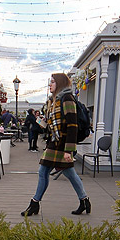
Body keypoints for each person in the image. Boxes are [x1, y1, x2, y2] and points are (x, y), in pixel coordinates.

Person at [21, 73, 90, 216]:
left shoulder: (67, 98)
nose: (50, 84)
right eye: (50, 82)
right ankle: (83, 201)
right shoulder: (54, 101)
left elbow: (72, 125)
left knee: (63, 173)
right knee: (55, 172)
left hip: (62, 144)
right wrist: (41, 122)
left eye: (52, 82)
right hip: (54, 142)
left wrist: (68, 150)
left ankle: (35, 204)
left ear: (59, 83)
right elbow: (52, 126)